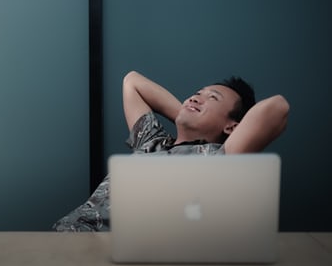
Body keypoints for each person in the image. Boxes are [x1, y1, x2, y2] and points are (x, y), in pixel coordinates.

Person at [53, 71, 289, 232]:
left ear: (232, 126)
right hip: (63, 236)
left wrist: (204, 122)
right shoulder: (151, 142)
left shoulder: (220, 159)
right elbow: (132, 81)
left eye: (212, 98)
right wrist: (188, 113)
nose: (197, 97)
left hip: (109, 253)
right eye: (197, 92)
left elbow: (278, 107)